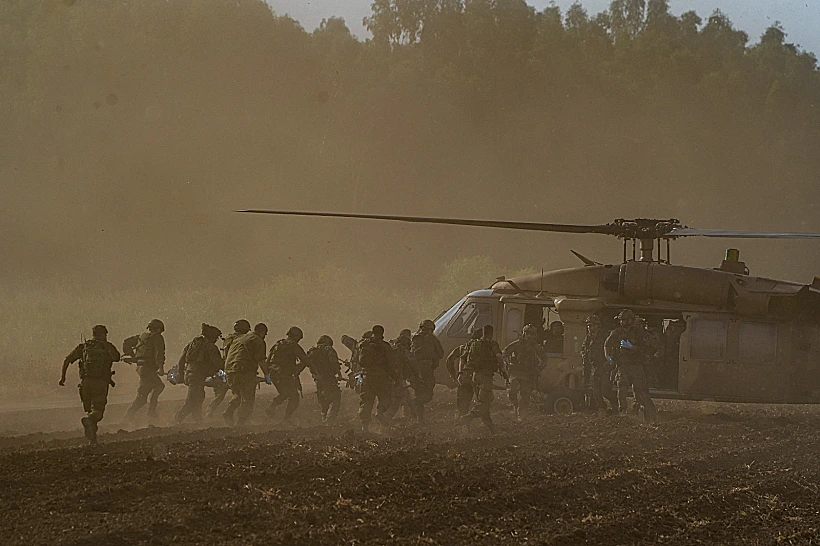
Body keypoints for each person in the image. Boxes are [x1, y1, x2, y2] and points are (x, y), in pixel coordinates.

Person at [59, 325, 121, 445]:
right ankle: (90, 423)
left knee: (90, 410)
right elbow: (117, 358)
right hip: (100, 383)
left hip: (85, 384)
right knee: (97, 412)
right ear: (104, 334)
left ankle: (92, 439)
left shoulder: (83, 347)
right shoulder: (107, 346)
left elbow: (67, 360)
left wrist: (63, 378)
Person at [604, 310, 660, 424]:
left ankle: (637, 410)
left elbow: (648, 348)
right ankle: (622, 412)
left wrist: (632, 347)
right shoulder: (616, 333)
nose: (622, 322)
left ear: (630, 320)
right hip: (622, 365)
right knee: (621, 388)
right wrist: (608, 357)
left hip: (636, 365)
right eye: (620, 320)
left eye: (624, 320)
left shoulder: (639, 333)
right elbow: (607, 344)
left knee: (639, 390)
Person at [174, 324, 224, 424]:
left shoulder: (192, 344)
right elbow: (218, 363)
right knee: (192, 400)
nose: (216, 339)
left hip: (189, 374)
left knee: (199, 396)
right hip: (198, 376)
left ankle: (198, 418)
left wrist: (180, 374)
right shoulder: (210, 346)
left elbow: (181, 360)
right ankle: (178, 418)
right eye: (216, 337)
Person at [461, 324, 505, 434]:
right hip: (486, 377)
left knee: (484, 401)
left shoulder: (473, 343)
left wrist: (460, 373)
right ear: (491, 333)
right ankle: (469, 417)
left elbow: (463, 359)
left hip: (475, 376)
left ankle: (491, 429)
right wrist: (503, 370)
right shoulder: (492, 344)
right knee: (485, 402)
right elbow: (499, 356)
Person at [223, 322, 270, 426]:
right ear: (262, 332)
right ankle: (240, 424)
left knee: (238, 393)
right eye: (265, 334)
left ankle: (228, 412)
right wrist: (267, 375)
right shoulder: (258, 341)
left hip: (230, 371)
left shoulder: (240, 338)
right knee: (248, 399)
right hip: (244, 372)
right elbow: (261, 360)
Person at [123, 319, 166, 424]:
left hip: (142, 368)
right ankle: (150, 412)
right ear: (159, 329)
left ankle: (129, 417)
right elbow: (159, 353)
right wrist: (161, 368)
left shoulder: (141, 337)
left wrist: (134, 357)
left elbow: (126, 343)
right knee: (158, 387)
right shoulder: (157, 338)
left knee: (144, 396)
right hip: (148, 369)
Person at [502, 324, 546, 421]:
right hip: (515, 371)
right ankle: (514, 406)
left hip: (528, 373)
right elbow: (505, 352)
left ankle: (522, 416)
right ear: (524, 334)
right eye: (528, 333)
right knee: (512, 389)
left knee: (525, 395)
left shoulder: (536, 347)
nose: (530, 336)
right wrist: (507, 363)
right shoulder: (517, 344)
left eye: (532, 334)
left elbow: (544, 359)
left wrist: (538, 369)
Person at [266, 326, 309, 423]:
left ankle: (271, 407)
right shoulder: (293, 346)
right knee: (294, 397)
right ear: (297, 337)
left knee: (285, 393)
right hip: (284, 375)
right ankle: (286, 419)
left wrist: (268, 374)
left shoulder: (278, 344)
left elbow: (268, 361)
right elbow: (306, 360)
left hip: (274, 374)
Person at [357, 325, 395, 432]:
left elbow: (359, 361)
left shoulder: (364, 345)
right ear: (382, 333)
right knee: (385, 398)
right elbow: (392, 363)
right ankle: (380, 413)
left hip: (367, 377)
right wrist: (395, 377)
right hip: (381, 377)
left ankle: (364, 427)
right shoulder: (385, 346)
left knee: (366, 401)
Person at [581, 315, 617, 414]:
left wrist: (609, 362)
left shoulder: (605, 335)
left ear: (597, 325)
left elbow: (613, 349)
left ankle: (616, 407)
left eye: (591, 325)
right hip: (595, 367)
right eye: (588, 326)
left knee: (605, 390)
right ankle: (602, 409)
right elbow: (584, 349)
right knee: (595, 390)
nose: (589, 328)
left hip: (605, 367)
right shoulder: (588, 337)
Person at [410, 319, 443, 423]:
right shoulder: (432, 339)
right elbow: (441, 353)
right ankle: (412, 404)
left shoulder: (415, 338)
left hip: (415, 369)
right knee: (428, 394)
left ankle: (419, 419)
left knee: (419, 393)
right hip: (427, 369)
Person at [305, 335, 343, 423]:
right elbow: (333, 363)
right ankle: (329, 421)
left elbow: (308, 364)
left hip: (318, 380)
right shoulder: (329, 349)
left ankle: (324, 420)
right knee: (335, 399)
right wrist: (339, 373)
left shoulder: (312, 351)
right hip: (329, 379)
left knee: (323, 401)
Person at [446, 329, 482, 418]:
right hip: (479, 377)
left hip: (465, 377)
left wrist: (454, 374)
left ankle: (462, 424)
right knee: (483, 402)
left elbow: (449, 360)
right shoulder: (485, 348)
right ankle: (471, 418)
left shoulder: (463, 347)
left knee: (462, 405)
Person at [385, 329, 416, 420]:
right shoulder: (402, 350)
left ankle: (410, 415)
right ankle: (386, 417)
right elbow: (412, 362)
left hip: (389, 377)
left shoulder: (391, 346)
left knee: (406, 396)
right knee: (398, 398)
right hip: (398, 378)